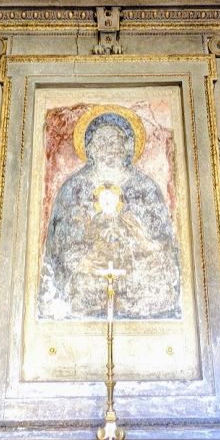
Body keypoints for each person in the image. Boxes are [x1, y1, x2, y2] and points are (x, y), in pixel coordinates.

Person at [39, 110, 181, 320]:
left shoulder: (145, 187)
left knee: (156, 283)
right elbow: (58, 247)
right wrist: (84, 258)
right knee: (78, 288)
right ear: (90, 148)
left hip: (137, 277)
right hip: (88, 276)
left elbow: (164, 245)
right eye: (102, 141)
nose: (109, 147)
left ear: (128, 147)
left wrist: (140, 239)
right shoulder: (74, 188)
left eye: (116, 140)